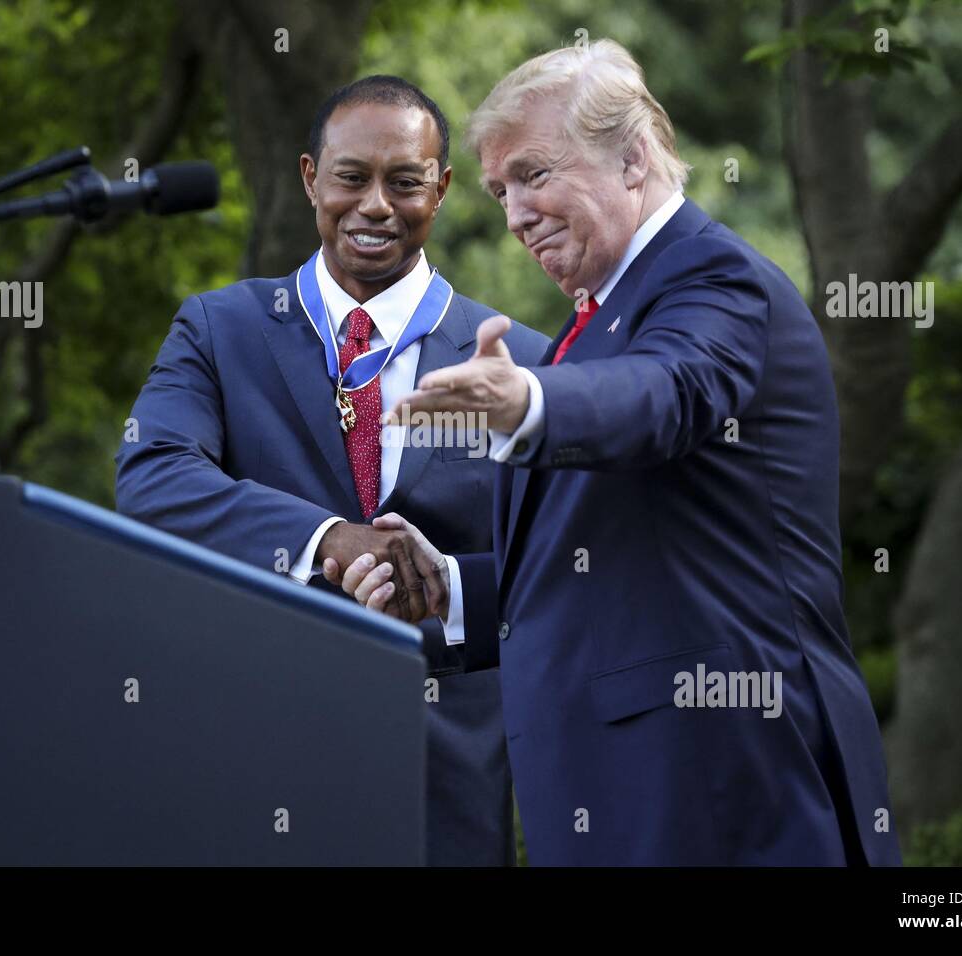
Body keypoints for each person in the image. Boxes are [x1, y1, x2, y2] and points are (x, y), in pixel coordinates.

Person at [341, 42, 903, 865]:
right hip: (626, 801)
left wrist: (529, 400)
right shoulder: (594, 319)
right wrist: (446, 591)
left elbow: (665, 394)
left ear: (634, 158)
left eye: (534, 175)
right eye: (500, 191)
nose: (515, 214)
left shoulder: (714, 282)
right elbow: (601, 567)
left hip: (719, 789)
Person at [114, 75, 548, 866]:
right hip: (254, 755)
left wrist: (444, 581)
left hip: (446, 778)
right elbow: (152, 478)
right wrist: (329, 541)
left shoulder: (524, 362)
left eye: (405, 181)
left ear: (442, 189)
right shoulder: (220, 330)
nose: (376, 204)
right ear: (312, 177)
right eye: (352, 178)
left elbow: (560, 564)